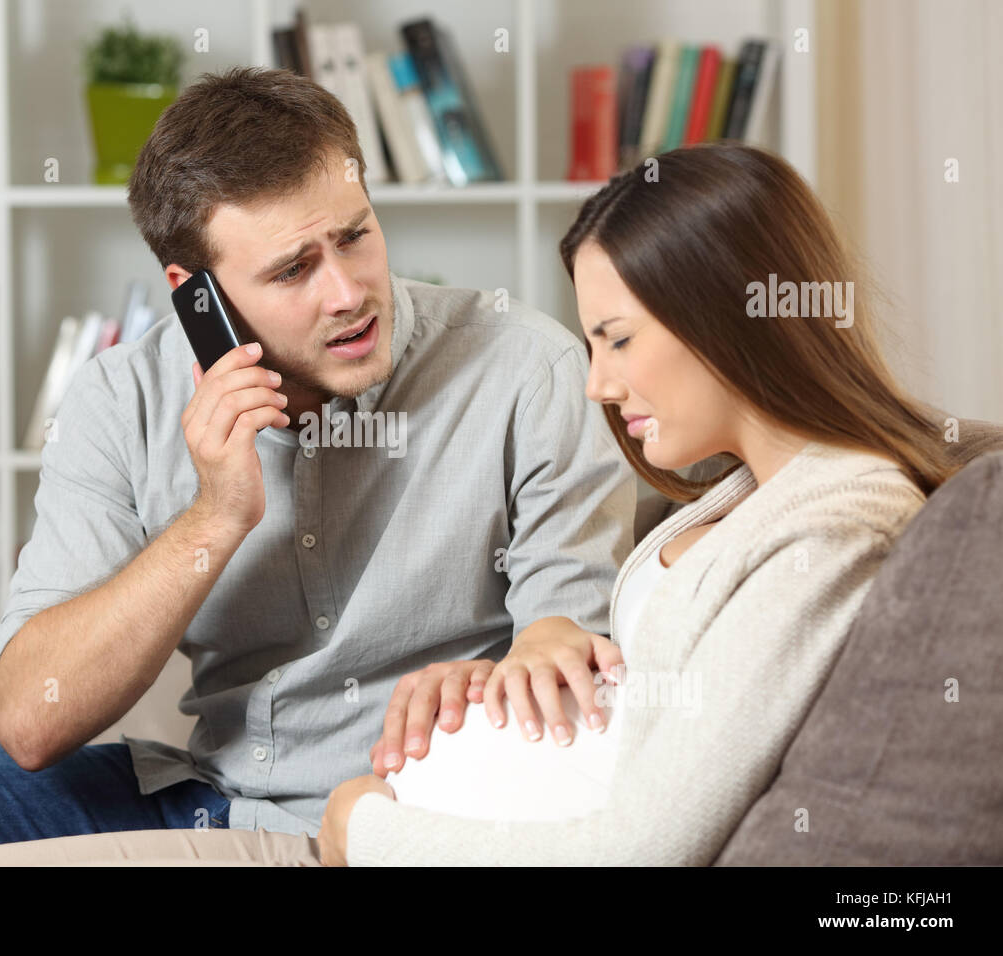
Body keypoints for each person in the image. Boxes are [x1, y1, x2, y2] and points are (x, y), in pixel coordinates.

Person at [0, 67, 634, 866]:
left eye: (355, 235)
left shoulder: (528, 368)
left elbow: (560, 649)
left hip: (403, 811)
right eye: (293, 270)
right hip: (203, 788)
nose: (349, 293)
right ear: (194, 295)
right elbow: (35, 722)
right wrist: (215, 516)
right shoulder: (122, 399)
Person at [316, 142, 962, 865]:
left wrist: (362, 830)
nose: (597, 386)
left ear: (729, 316)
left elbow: (644, 847)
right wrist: (510, 675)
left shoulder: (839, 526)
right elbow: (663, 701)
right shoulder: (758, 489)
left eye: (617, 340)